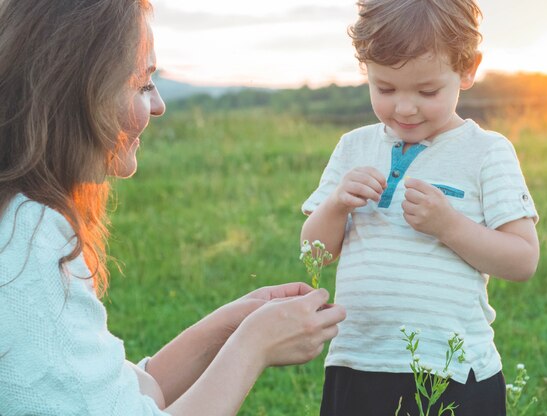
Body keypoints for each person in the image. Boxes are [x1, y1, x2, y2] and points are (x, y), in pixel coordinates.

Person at [0, 1, 346, 415]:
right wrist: (255, 345)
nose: (160, 104)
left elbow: (116, 396)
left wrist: (229, 326)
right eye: (143, 84)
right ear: (77, 87)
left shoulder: (19, 216)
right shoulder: (29, 237)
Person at [301, 0, 540, 415]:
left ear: (467, 69)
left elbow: (522, 260)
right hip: (358, 359)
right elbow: (314, 249)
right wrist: (338, 203)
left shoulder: (486, 152)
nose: (404, 107)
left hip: (452, 369)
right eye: (385, 88)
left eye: (427, 91)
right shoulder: (353, 147)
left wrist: (449, 225)